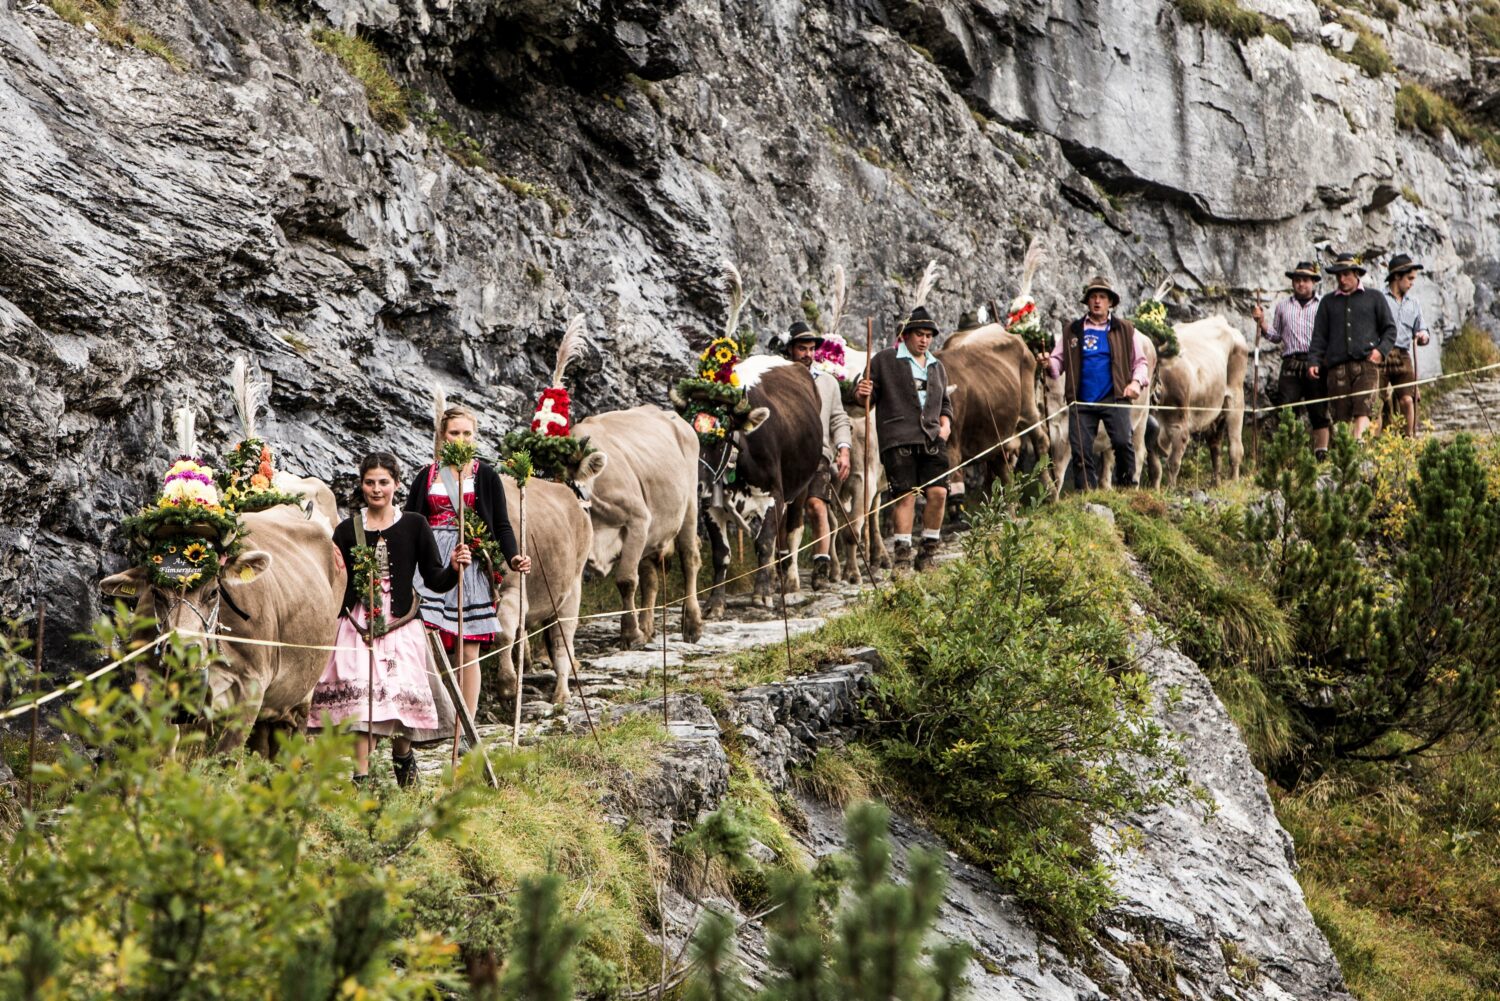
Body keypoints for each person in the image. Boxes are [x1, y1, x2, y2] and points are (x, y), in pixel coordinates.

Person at [312, 452, 470, 786]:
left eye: (383, 482)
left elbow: (433, 579)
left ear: (396, 484)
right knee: (362, 706)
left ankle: (403, 759)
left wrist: (454, 568)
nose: (376, 489)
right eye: (369, 482)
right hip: (357, 626)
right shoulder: (346, 530)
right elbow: (336, 583)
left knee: (399, 700)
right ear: (361, 485)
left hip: (402, 624)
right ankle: (362, 778)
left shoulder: (415, 524)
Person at [405, 405, 531, 726]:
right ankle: (431, 719)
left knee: (467, 651)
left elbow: (501, 525)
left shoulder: (485, 476)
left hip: (469, 564)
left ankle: (466, 726)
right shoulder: (427, 476)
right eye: (454, 433)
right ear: (442, 437)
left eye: (467, 433)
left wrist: (513, 556)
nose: (460, 439)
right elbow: (409, 521)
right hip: (431, 565)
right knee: (424, 645)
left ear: (475, 437)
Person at [856, 304, 953, 572]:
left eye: (929, 335)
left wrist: (945, 426)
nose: (924, 340)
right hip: (898, 438)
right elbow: (867, 396)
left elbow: (945, 403)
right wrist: (862, 392)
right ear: (906, 335)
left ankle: (928, 552)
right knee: (906, 496)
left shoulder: (937, 366)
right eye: (919, 334)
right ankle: (902, 557)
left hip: (933, 438)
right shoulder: (884, 361)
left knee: (939, 492)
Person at [1044, 276, 1146, 489]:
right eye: (1093, 297)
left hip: (1115, 397)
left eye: (1102, 297)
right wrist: (1047, 363)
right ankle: (1087, 495)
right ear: (1087, 301)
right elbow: (1057, 365)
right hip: (1082, 400)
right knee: (1080, 449)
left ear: (1110, 302)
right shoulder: (1072, 330)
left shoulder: (1126, 329)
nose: (1097, 301)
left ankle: (1127, 489)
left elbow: (1140, 362)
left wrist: (1136, 382)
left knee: (1122, 442)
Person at [781, 321, 852, 588]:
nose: (808, 354)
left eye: (811, 349)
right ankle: (783, 565)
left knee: (816, 505)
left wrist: (844, 449)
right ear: (790, 349)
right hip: (784, 454)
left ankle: (821, 566)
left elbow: (838, 419)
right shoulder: (779, 378)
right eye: (802, 348)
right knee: (780, 510)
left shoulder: (827, 383)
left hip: (816, 453)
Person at [1308, 253, 1398, 440]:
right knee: (1341, 416)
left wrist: (1381, 351)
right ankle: (1346, 455)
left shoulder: (1374, 297)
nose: (1342, 279)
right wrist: (1314, 360)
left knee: (1363, 408)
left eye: (1346, 274)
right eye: (1338, 275)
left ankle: (1359, 447)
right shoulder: (1327, 302)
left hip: (1366, 365)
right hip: (1337, 369)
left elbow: (1389, 329)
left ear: (1356, 273)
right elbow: (1319, 336)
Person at [1253, 261, 1331, 460]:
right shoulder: (1282, 307)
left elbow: (1329, 334)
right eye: (1297, 280)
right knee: (1286, 410)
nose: (1301, 284)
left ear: (1313, 282)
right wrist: (1262, 322)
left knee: (1319, 411)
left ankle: (1321, 453)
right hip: (1290, 363)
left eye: (1305, 280)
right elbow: (1276, 335)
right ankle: (1288, 455)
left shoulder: (1323, 305)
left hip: (1316, 363)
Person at [1381, 254, 1431, 437]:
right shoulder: (1380, 299)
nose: (1412, 283)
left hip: (1403, 355)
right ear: (1397, 276)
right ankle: (1375, 443)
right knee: (1377, 402)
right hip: (1381, 354)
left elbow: (1422, 328)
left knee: (1407, 399)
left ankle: (1407, 440)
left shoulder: (1414, 303)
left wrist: (1423, 335)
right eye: (1409, 278)